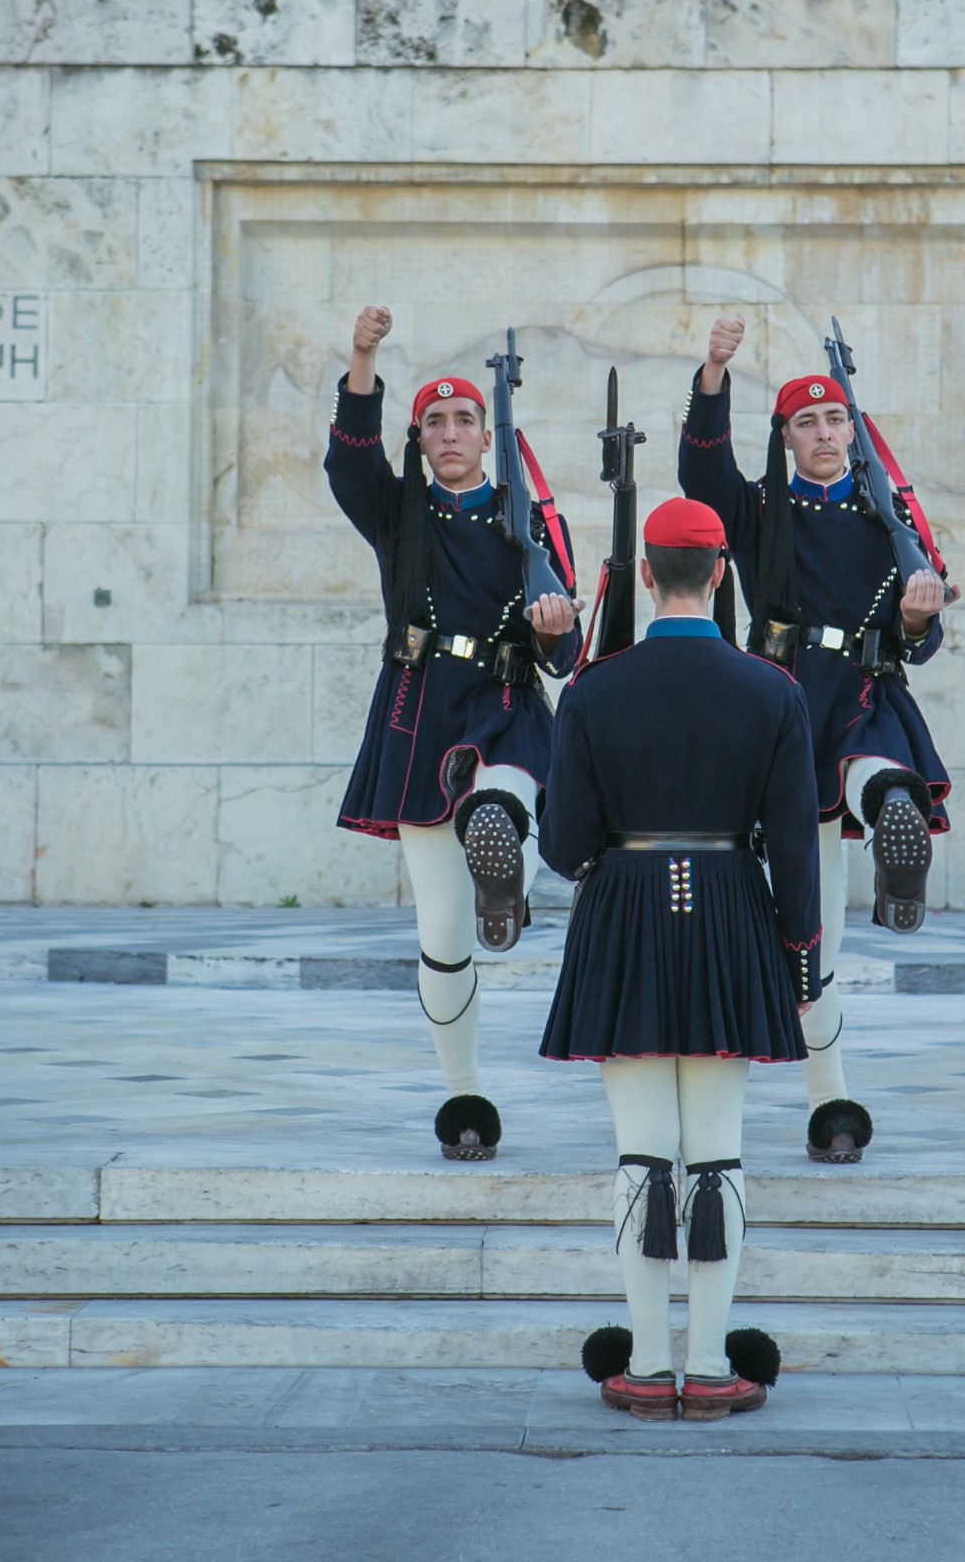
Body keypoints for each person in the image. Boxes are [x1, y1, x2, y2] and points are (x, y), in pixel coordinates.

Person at [539, 497, 821, 1422]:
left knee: (639, 1153)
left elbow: (562, 842)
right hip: (732, 908)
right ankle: (709, 1366)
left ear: (646, 575)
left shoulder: (592, 689)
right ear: (721, 573)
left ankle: (646, 1366)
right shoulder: (773, 690)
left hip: (624, 910)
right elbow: (794, 845)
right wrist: (800, 953)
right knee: (718, 1154)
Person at [678, 316, 950, 1167]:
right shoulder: (760, 513)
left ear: (852, 430)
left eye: (836, 420)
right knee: (813, 929)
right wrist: (712, 376)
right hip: (786, 700)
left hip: (863, 695)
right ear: (787, 437)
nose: (825, 434)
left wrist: (915, 618)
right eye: (807, 423)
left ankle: (895, 832)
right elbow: (701, 474)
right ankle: (825, 1096)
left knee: (879, 774)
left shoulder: (889, 513)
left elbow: (924, 638)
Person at [326, 304, 581, 1163]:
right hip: (419, 710)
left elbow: (566, 650)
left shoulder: (530, 520)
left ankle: (500, 845)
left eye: (463, 419)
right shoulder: (398, 514)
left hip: (503, 707)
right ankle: (464, 1095)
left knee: (500, 798)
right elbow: (348, 460)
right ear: (419, 437)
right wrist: (364, 357)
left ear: (487, 434)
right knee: (440, 931)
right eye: (432, 422)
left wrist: (550, 628)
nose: (448, 433)